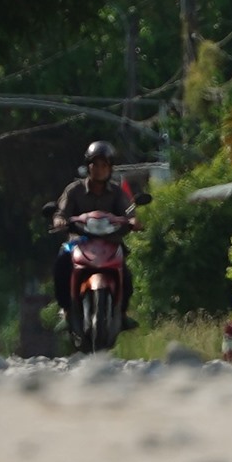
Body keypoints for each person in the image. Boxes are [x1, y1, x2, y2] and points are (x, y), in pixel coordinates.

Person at [51, 140, 138, 329]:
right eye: (95, 165)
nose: (99, 169)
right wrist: (60, 220)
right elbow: (61, 212)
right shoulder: (74, 190)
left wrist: (132, 220)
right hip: (78, 242)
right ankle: (66, 311)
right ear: (88, 166)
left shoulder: (117, 192)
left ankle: (122, 313)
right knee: (61, 263)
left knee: (127, 274)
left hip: (110, 243)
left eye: (104, 165)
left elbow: (129, 212)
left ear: (110, 168)